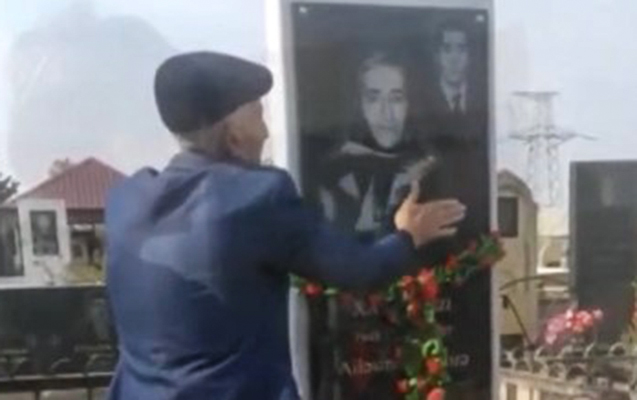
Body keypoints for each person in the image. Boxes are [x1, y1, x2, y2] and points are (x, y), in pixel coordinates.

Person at [104, 51, 466, 400]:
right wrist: (408, 235)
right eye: (258, 115)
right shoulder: (255, 197)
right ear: (233, 132)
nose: (265, 132)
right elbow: (357, 269)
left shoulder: (125, 201)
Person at [319, 50, 436, 239]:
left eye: (396, 99)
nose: (386, 113)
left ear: (410, 104)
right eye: (373, 98)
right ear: (361, 104)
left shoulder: (429, 169)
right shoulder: (338, 169)